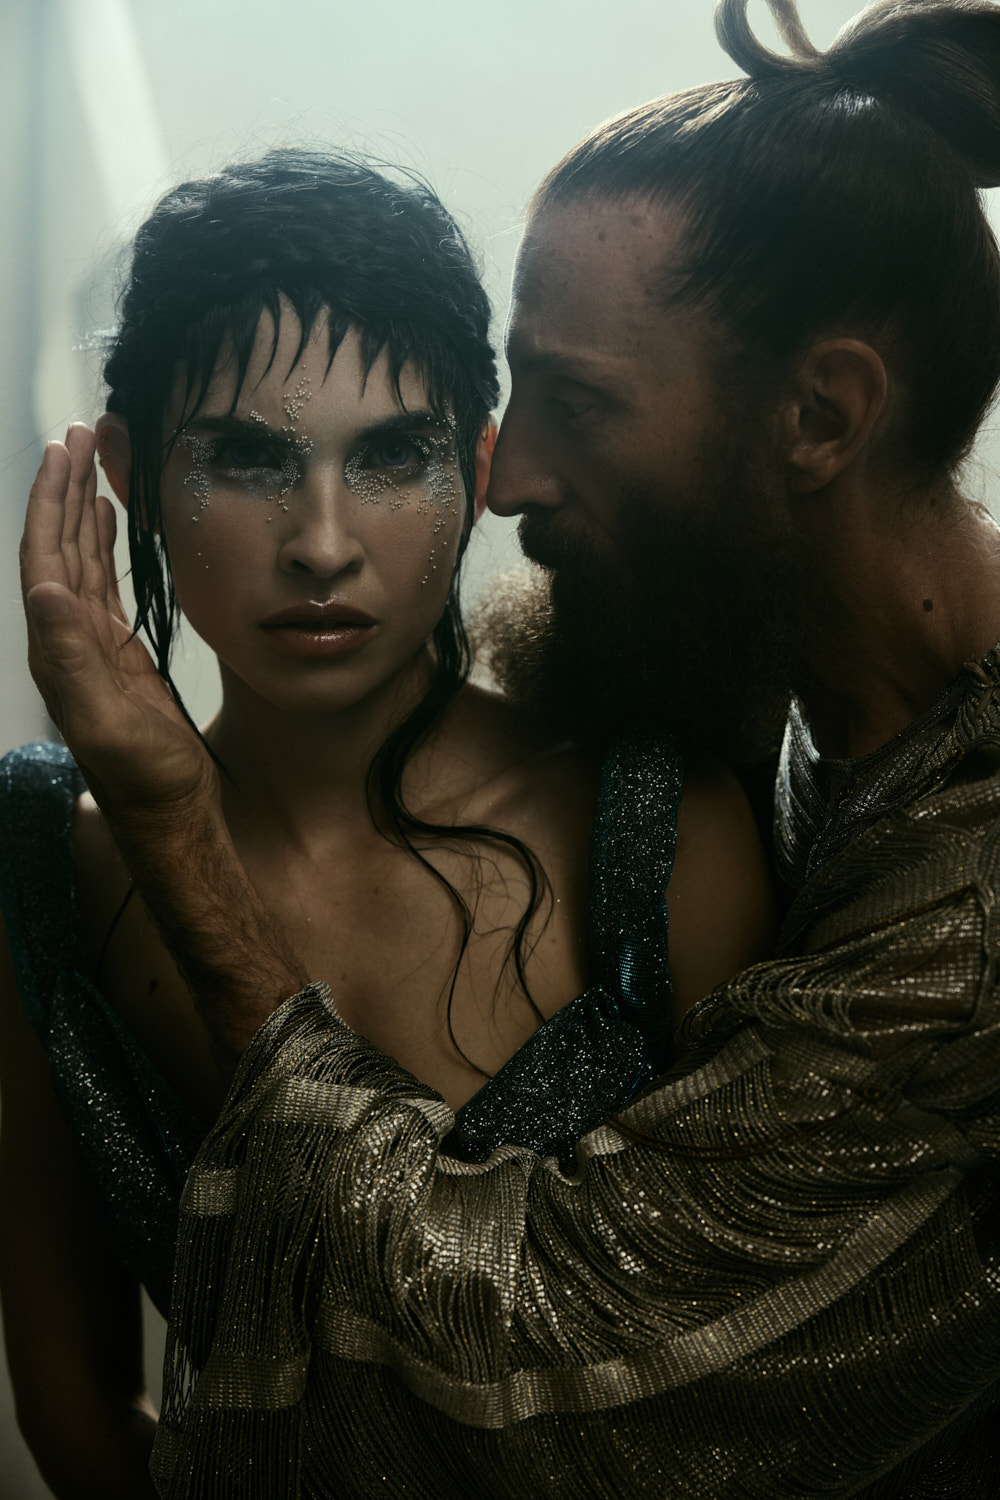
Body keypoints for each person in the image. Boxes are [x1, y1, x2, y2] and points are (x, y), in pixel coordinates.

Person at [18, 0, 1000, 1494]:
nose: (512, 478)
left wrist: (175, 830)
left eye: (579, 402)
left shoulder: (937, 907)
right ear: (136, 473)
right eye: (250, 456)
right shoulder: (797, 731)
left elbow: (554, 1369)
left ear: (820, 415)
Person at [2, 148, 773, 1497]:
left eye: (391, 456)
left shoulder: (655, 833)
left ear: (478, 466)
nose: (321, 543)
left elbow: (742, 1388)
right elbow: (76, 1414)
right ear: (125, 475)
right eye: (248, 458)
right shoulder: (46, 855)